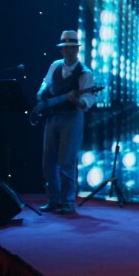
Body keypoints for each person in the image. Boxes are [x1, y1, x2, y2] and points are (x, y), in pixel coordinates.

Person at [37, 30, 97, 214]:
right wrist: (41, 91)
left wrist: (75, 100)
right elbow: (46, 83)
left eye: (72, 48)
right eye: (66, 48)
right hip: (53, 116)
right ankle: (54, 200)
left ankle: (68, 202)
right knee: (48, 161)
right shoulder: (55, 65)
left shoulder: (85, 73)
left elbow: (87, 101)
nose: (69, 51)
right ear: (62, 50)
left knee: (66, 162)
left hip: (72, 117)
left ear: (77, 50)